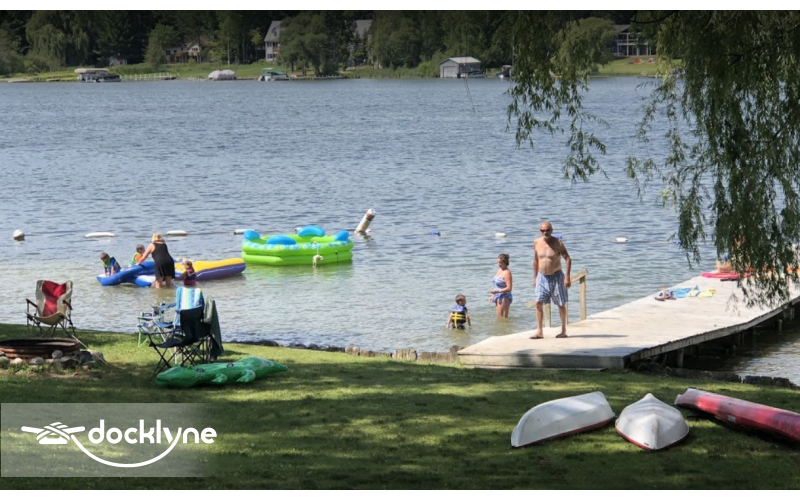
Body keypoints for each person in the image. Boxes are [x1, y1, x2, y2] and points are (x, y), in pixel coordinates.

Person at [531, 221, 571, 339]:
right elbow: (536, 260)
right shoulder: (537, 242)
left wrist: (567, 276)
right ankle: (539, 331)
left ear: (552, 230)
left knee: (561, 304)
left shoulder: (558, 243)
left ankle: (563, 330)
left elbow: (568, 259)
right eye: (542, 230)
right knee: (538, 303)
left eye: (547, 230)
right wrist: (535, 277)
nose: (545, 232)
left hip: (556, 276)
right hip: (542, 276)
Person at [490, 253, 513, 318]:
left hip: (505, 297)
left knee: (503, 318)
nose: (498, 264)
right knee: (499, 317)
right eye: (498, 262)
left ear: (505, 262)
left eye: (500, 263)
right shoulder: (499, 270)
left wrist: (497, 291)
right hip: (497, 295)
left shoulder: (507, 273)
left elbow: (509, 288)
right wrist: (493, 295)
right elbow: (496, 285)